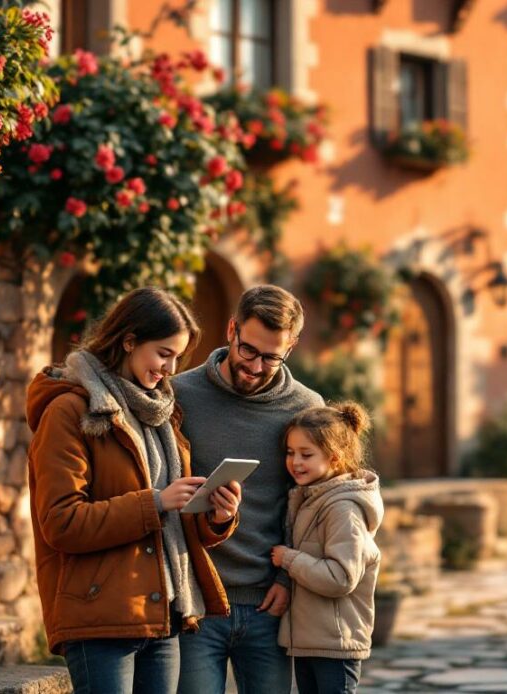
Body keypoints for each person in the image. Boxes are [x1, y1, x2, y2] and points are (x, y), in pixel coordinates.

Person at [25, 286, 243, 694]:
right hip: (100, 619)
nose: (171, 368)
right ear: (128, 341)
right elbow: (61, 521)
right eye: (164, 353)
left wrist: (217, 516)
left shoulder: (161, 415)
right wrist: (156, 502)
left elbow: (172, 525)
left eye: (177, 357)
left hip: (165, 617)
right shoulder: (69, 412)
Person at [174, 285, 324, 694]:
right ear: (231, 331)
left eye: (272, 357)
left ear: (290, 348)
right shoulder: (179, 394)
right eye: (249, 351)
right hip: (196, 601)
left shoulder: (306, 407)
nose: (256, 367)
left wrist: (287, 581)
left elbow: (312, 508)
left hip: (268, 603)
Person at [271, 402, 383, 694]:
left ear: (334, 458)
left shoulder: (343, 509)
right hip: (310, 642)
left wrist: (289, 559)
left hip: (337, 644)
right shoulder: (310, 499)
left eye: (306, 454)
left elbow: (341, 577)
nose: (295, 462)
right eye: (290, 452)